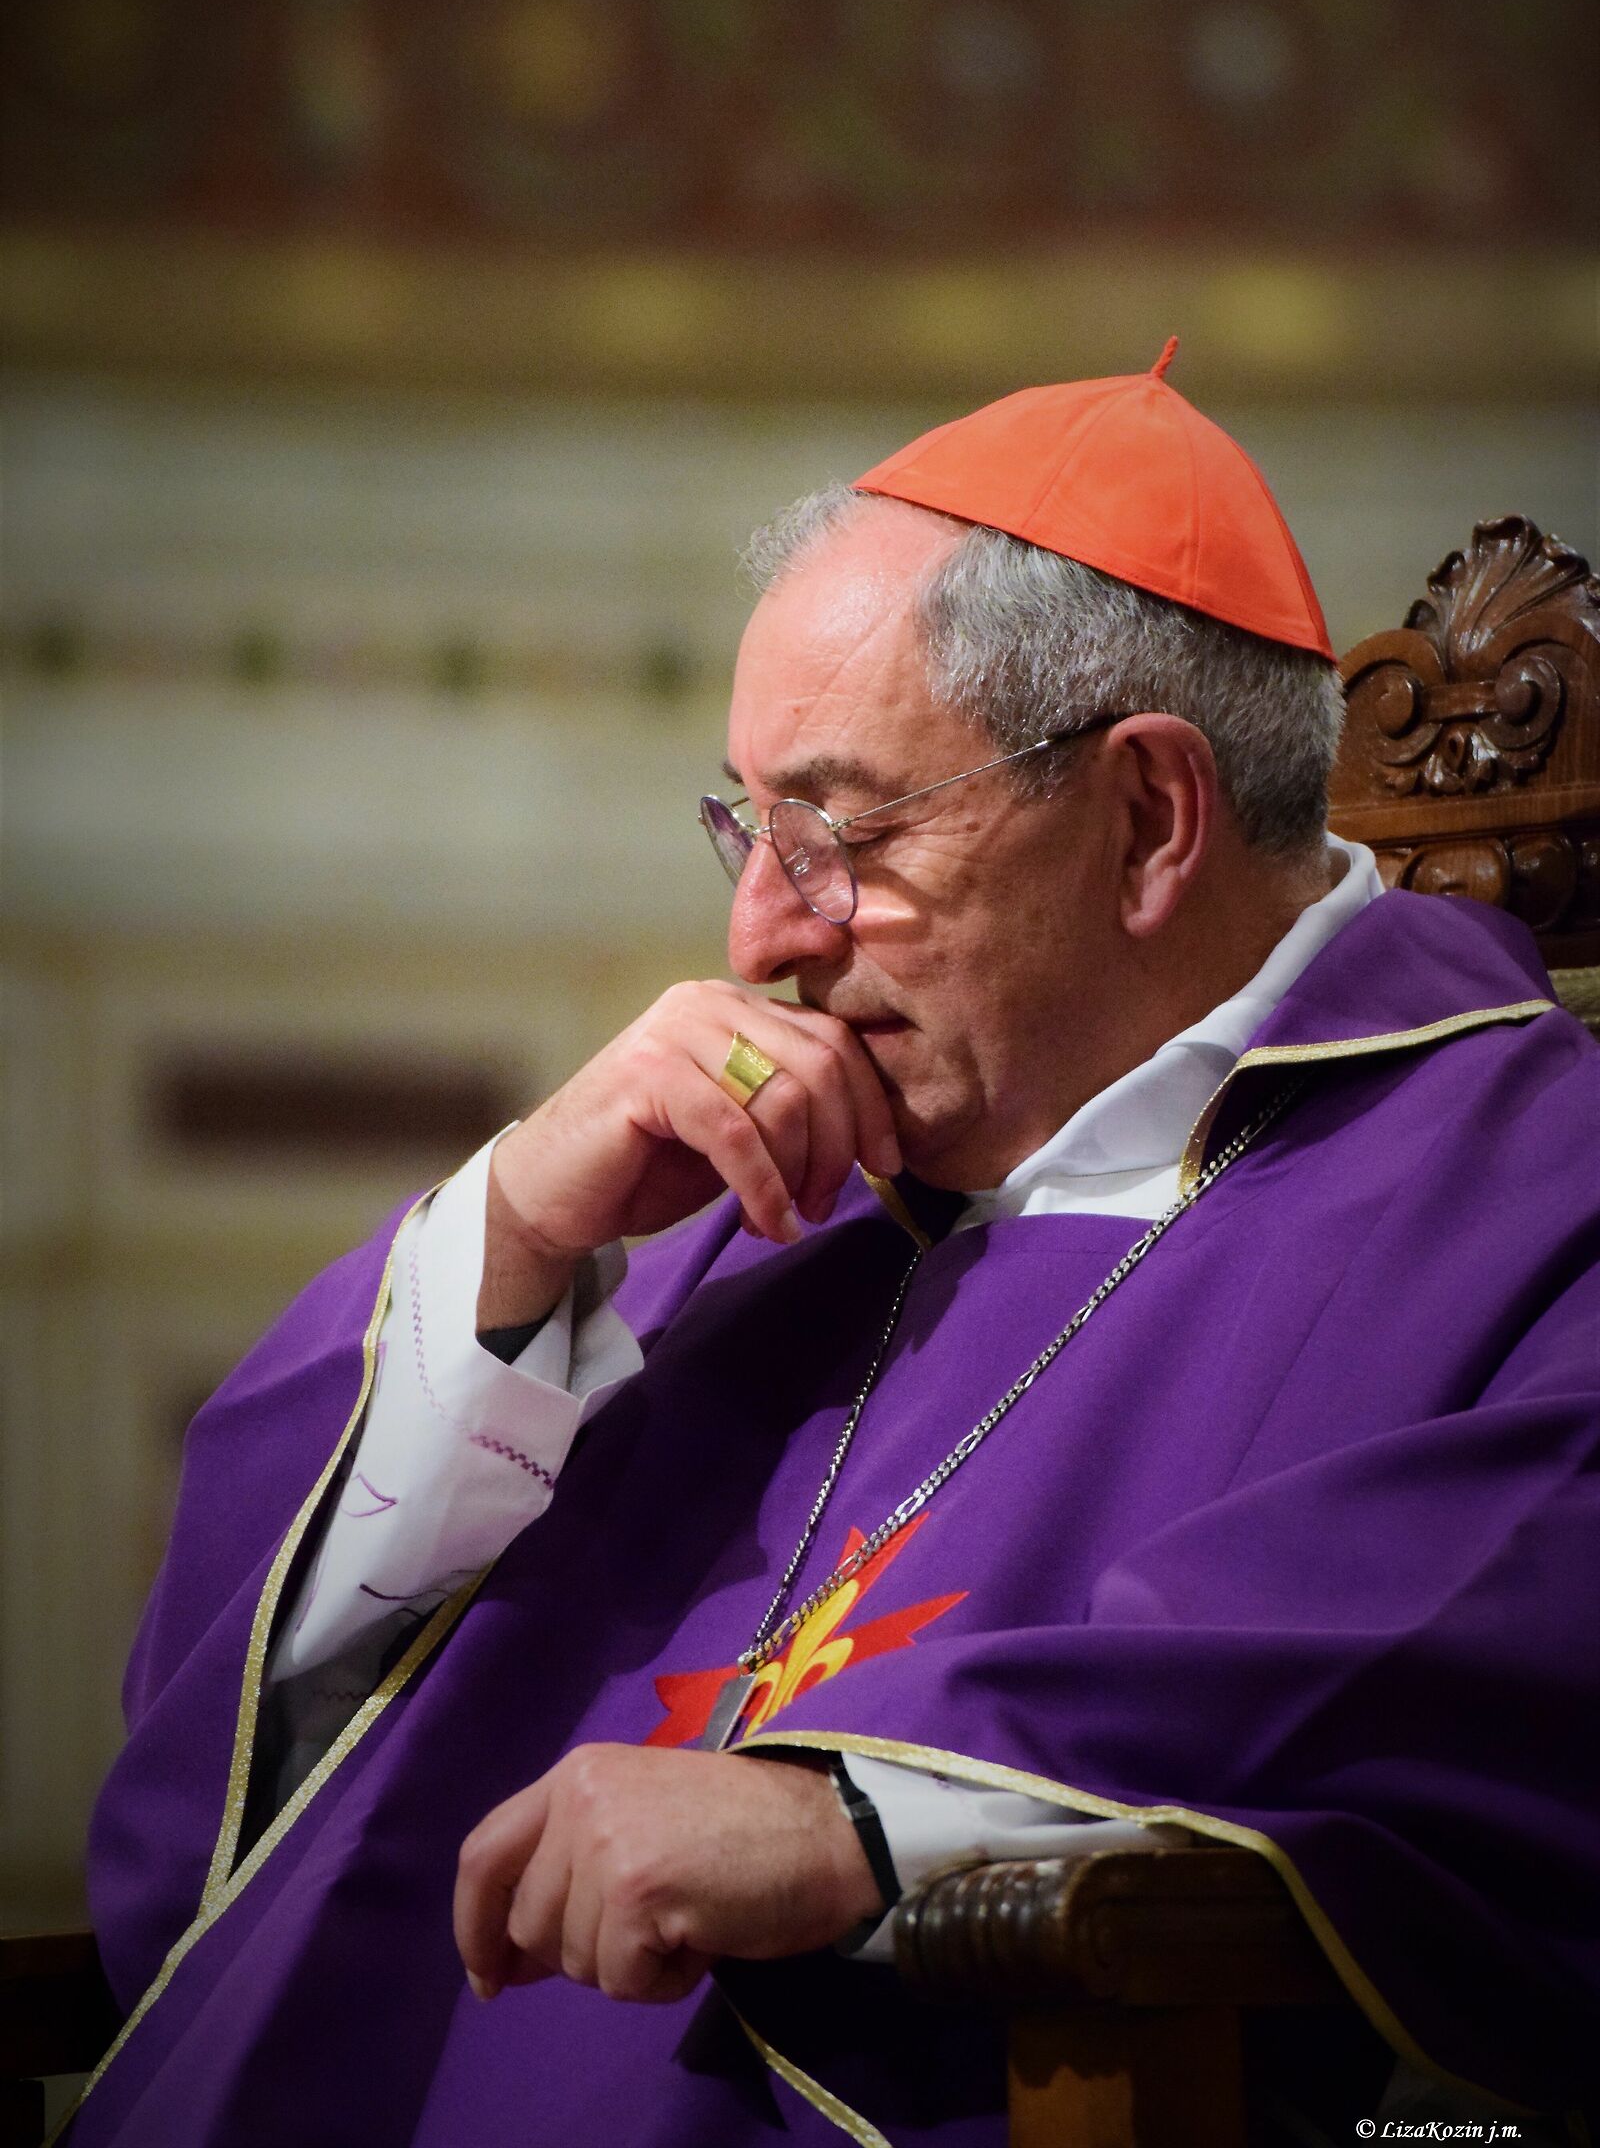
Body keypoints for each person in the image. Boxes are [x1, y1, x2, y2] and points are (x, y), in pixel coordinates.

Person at [73, 351, 1597, 2146]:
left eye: (839, 833)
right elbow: (256, 1770)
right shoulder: (764, 1199)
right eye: (747, 824)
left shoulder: (1523, 1190)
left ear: (1147, 820)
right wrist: (505, 1249)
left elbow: (1490, 1658)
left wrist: (861, 1814)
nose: (755, 934)